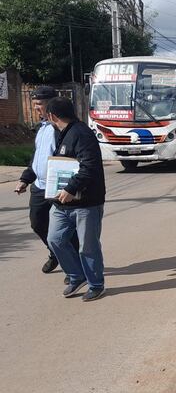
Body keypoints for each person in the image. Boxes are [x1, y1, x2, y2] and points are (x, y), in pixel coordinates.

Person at [45, 97, 107, 301]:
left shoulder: (81, 134)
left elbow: (89, 167)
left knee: (87, 246)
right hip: (61, 202)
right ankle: (76, 275)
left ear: (52, 116)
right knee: (55, 239)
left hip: (86, 203)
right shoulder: (62, 133)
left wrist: (71, 188)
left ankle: (96, 284)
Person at [14, 86, 78, 275]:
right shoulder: (42, 128)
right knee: (37, 223)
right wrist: (25, 179)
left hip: (59, 187)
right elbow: (37, 157)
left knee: (66, 229)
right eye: (34, 104)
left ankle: (74, 267)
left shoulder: (63, 128)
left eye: (39, 104)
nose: (36, 108)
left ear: (52, 104)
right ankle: (55, 253)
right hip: (40, 187)